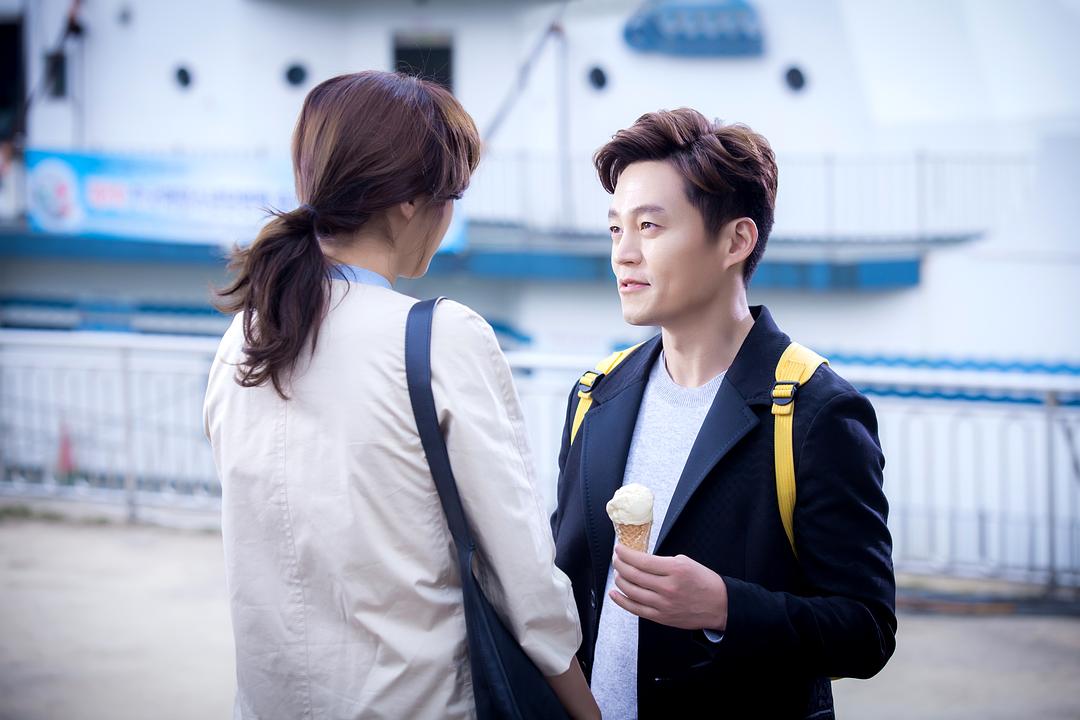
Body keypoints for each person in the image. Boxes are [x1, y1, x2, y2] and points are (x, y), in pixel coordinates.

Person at [203, 71, 599, 720]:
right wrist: (586, 708)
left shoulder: (245, 340)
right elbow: (522, 579)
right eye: (452, 194)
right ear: (410, 201)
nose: (450, 215)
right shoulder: (439, 338)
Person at [550, 108, 896, 718]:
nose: (623, 254)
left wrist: (725, 608)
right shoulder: (595, 395)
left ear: (737, 241)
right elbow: (567, 591)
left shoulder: (814, 410)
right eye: (615, 228)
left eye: (649, 226)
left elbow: (866, 630)